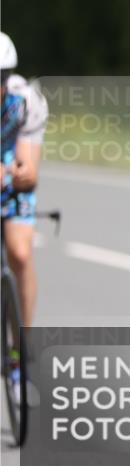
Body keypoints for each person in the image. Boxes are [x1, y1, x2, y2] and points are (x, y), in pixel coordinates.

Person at [1, 30, 48, 332]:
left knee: (19, 252)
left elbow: (29, 169)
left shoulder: (27, 100)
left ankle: (21, 352)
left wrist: (19, 174)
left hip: (8, 174)